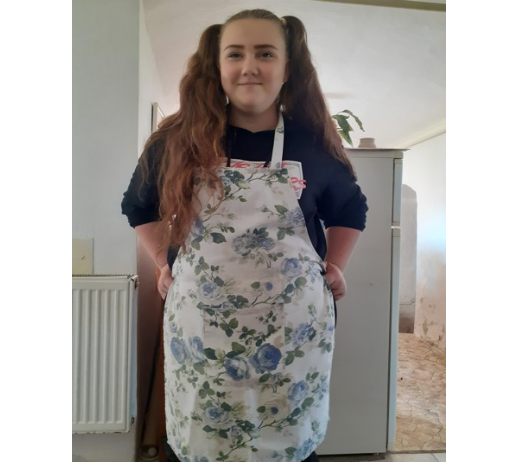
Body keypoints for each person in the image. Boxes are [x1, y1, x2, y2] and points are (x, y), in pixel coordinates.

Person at [121, 8, 368, 462]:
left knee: (286, 445)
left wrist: (335, 264)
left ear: (287, 69)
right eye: (235, 54)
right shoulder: (177, 141)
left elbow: (351, 208)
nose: (249, 65)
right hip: (204, 339)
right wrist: (160, 261)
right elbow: (138, 206)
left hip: (291, 337)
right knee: (204, 446)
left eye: (265, 53)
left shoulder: (312, 144)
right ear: (217, 67)